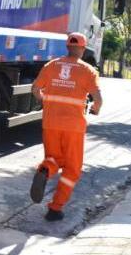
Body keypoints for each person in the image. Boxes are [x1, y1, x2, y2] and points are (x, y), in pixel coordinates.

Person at [29, 32, 102, 221]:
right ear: (83, 49)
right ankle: (55, 208)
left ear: (67, 46)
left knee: (54, 158)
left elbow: (35, 89)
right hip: (73, 127)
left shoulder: (51, 65)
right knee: (72, 169)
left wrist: (46, 102)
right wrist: (95, 109)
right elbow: (98, 99)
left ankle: (45, 170)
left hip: (50, 123)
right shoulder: (88, 71)